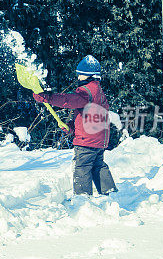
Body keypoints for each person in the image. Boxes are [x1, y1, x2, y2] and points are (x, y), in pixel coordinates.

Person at [32, 55, 117, 196]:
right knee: (98, 166)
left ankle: (83, 200)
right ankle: (110, 193)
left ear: (88, 76)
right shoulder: (99, 92)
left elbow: (68, 100)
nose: (78, 78)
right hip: (98, 141)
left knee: (82, 169)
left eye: (80, 75)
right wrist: (71, 127)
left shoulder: (85, 91)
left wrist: (48, 97)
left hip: (86, 142)